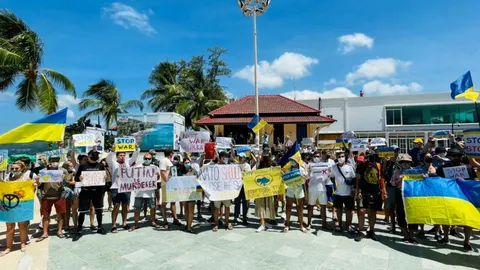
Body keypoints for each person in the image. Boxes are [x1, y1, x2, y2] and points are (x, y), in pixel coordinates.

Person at [436, 148, 476, 251]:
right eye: (454, 156)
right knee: (446, 217)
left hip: (465, 197)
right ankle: (446, 238)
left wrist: (465, 182)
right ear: (449, 157)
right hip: (449, 196)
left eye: (458, 156)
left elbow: (474, 180)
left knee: (468, 220)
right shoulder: (442, 168)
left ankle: (467, 242)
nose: (456, 158)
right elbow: (437, 181)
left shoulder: (467, 168)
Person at [1, 161, 37, 256]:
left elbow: (31, 192)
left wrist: (34, 186)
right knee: (9, 226)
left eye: (16, 168)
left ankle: (23, 244)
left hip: (21, 206)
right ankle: (8, 247)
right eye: (12, 168)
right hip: (10, 207)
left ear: (22, 169)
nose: (14, 170)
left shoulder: (26, 180)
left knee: (22, 226)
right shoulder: (8, 179)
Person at [72, 150, 107, 241]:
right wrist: (79, 178)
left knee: (99, 210)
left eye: (96, 155)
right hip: (86, 191)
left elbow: (104, 176)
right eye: (93, 155)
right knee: (82, 212)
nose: (95, 156)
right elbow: (76, 178)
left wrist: (105, 177)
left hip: (97, 191)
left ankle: (100, 227)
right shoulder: (83, 166)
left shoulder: (100, 165)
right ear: (88, 156)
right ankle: (79, 231)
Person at [354, 150, 387, 242]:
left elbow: (381, 179)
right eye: (368, 156)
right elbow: (358, 180)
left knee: (373, 212)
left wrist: (383, 191)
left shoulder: (378, 165)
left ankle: (371, 230)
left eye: (372, 156)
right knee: (361, 211)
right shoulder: (361, 166)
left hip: (375, 191)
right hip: (364, 191)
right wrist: (358, 191)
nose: (370, 159)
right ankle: (360, 231)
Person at [107, 145, 140, 233]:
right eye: (120, 155)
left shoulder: (128, 162)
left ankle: (124, 223)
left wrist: (136, 149)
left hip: (126, 188)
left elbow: (135, 156)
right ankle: (113, 225)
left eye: (123, 155)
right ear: (117, 156)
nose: (122, 157)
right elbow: (108, 159)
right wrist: (112, 151)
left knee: (125, 206)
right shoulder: (113, 163)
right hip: (116, 188)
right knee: (116, 206)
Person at [129, 153, 160, 231]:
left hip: (151, 192)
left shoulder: (155, 167)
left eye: (149, 159)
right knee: (137, 208)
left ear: (151, 159)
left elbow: (158, 178)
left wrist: (157, 175)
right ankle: (136, 224)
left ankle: (153, 221)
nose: (147, 160)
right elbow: (132, 177)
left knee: (152, 208)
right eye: (146, 158)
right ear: (143, 158)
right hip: (139, 192)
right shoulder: (138, 167)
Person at [392, 154, 419, 243]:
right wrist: (399, 179)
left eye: (407, 162)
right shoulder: (397, 171)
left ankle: (412, 235)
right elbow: (393, 183)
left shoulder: (414, 171)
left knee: (413, 214)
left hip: (411, 194)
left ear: (410, 163)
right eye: (403, 162)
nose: (405, 164)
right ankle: (405, 235)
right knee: (401, 213)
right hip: (400, 193)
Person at [37, 161, 66, 241]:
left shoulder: (62, 170)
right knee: (45, 215)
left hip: (59, 195)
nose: (54, 163)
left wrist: (63, 178)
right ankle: (45, 232)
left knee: (60, 214)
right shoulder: (44, 171)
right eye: (52, 161)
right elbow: (39, 185)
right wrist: (37, 180)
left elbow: (67, 181)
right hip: (46, 196)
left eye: (56, 161)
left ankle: (59, 231)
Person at [331, 151, 356, 233]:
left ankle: (349, 225)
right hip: (338, 192)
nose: (341, 158)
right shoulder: (334, 167)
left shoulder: (349, 167)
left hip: (348, 192)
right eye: (339, 156)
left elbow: (354, 179)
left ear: (345, 157)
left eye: (342, 156)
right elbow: (330, 175)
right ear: (337, 158)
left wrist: (353, 190)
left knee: (349, 210)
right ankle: (339, 225)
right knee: (339, 210)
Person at [307, 151, 331, 230]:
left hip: (322, 189)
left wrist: (329, 172)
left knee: (323, 207)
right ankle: (309, 223)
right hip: (312, 189)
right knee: (310, 207)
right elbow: (306, 177)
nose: (316, 157)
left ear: (320, 156)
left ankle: (324, 223)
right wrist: (308, 172)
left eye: (318, 156)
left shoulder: (324, 165)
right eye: (315, 156)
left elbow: (328, 176)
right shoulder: (309, 165)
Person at [284, 155, 307, 233]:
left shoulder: (301, 169)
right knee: (288, 207)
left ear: (297, 161)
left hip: (299, 190)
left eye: (293, 160)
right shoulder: (288, 169)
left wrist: (301, 177)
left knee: (300, 208)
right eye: (291, 160)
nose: (291, 162)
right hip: (290, 190)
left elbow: (304, 180)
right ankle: (287, 224)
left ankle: (301, 225)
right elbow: (286, 179)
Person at [160, 149, 183, 229]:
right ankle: (165, 221)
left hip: (173, 184)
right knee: (164, 203)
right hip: (166, 185)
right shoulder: (164, 160)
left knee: (173, 202)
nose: (173, 154)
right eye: (172, 153)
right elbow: (162, 173)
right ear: (170, 153)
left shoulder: (170, 161)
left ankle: (175, 219)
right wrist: (168, 183)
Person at [255, 153, 277, 233]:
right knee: (261, 206)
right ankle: (262, 223)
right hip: (261, 189)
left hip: (269, 189)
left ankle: (265, 222)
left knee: (268, 206)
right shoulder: (259, 165)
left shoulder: (272, 165)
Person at [234, 152, 251, 226]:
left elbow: (249, 175)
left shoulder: (248, 166)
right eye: (239, 157)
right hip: (237, 186)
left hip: (245, 186)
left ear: (245, 158)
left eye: (242, 157)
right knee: (237, 202)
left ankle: (244, 218)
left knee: (245, 203)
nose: (240, 158)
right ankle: (235, 217)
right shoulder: (236, 165)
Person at [182, 157, 198, 233]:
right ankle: (187, 224)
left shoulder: (193, 170)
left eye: (188, 162)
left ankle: (189, 226)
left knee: (191, 210)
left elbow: (198, 179)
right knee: (186, 209)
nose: (187, 164)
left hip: (192, 192)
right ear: (183, 164)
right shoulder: (181, 171)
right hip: (183, 192)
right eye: (186, 163)